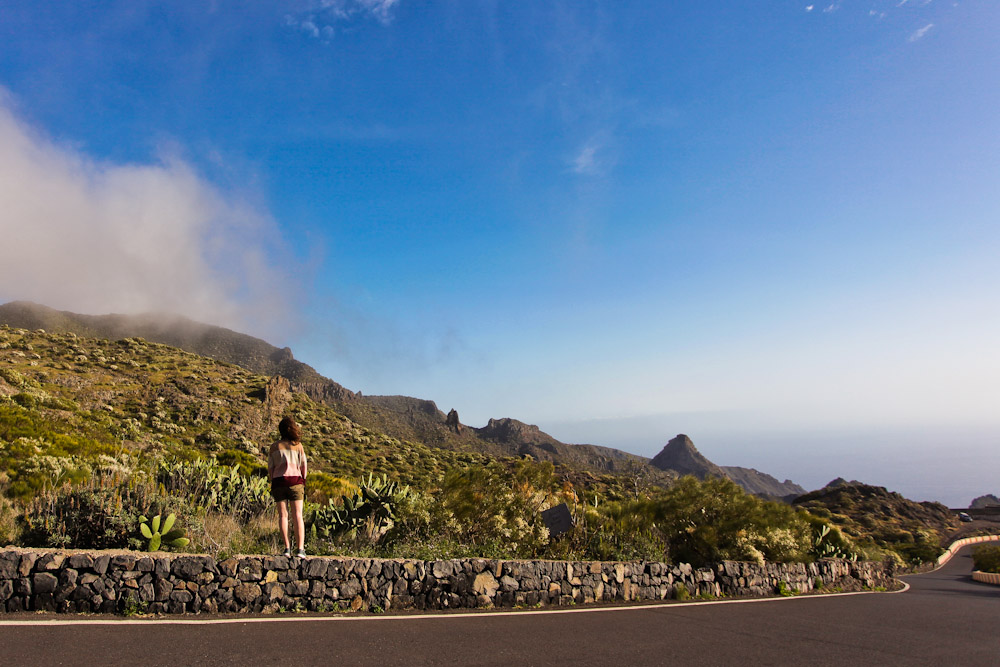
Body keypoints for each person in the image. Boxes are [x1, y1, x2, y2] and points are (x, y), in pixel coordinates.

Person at [268, 416, 308, 557]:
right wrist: (302, 480)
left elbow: (270, 468)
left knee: (283, 516)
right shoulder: (298, 446)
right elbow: (304, 467)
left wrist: (272, 481)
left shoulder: (274, 447)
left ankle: (286, 548)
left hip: (279, 483)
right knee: (298, 515)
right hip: (295, 482)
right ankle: (301, 549)